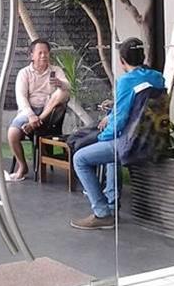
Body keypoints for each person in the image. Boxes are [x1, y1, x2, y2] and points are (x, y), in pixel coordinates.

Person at [70, 37, 165, 230]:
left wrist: (101, 137)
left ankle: (101, 212)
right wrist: (115, 109)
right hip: (151, 138)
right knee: (110, 156)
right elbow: (139, 104)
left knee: (80, 158)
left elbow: (119, 122)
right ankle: (112, 207)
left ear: (122, 61)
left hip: (130, 141)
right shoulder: (157, 77)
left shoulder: (125, 81)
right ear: (142, 56)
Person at [7, 38, 70, 181]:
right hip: (29, 111)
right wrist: (30, 116)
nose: (43, 56)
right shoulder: (24, 73)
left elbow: (68, 87)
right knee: (12, 134)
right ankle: (22, 166)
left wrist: (60, 83)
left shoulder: (56, 70)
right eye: (40, 53)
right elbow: (21, 97)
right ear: (32, 55)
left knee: (63, 92)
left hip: (49, 113)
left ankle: (36, 122)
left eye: (46, 52)